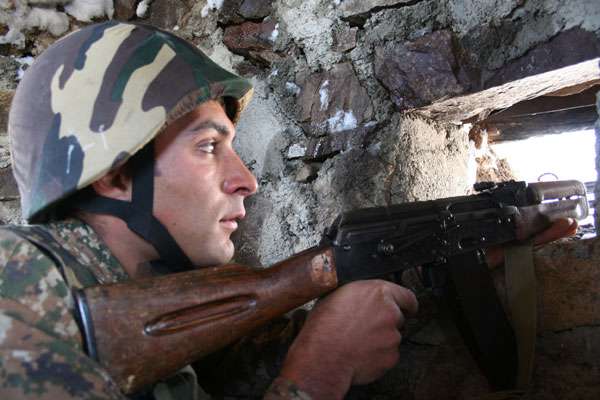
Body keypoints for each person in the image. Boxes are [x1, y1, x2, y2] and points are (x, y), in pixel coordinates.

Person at [0, 21, 420, 400]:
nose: (247, 180)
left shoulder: (153, 306)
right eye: (207, 147)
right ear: (115, 174)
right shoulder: (15, 288)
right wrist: (320, 372)